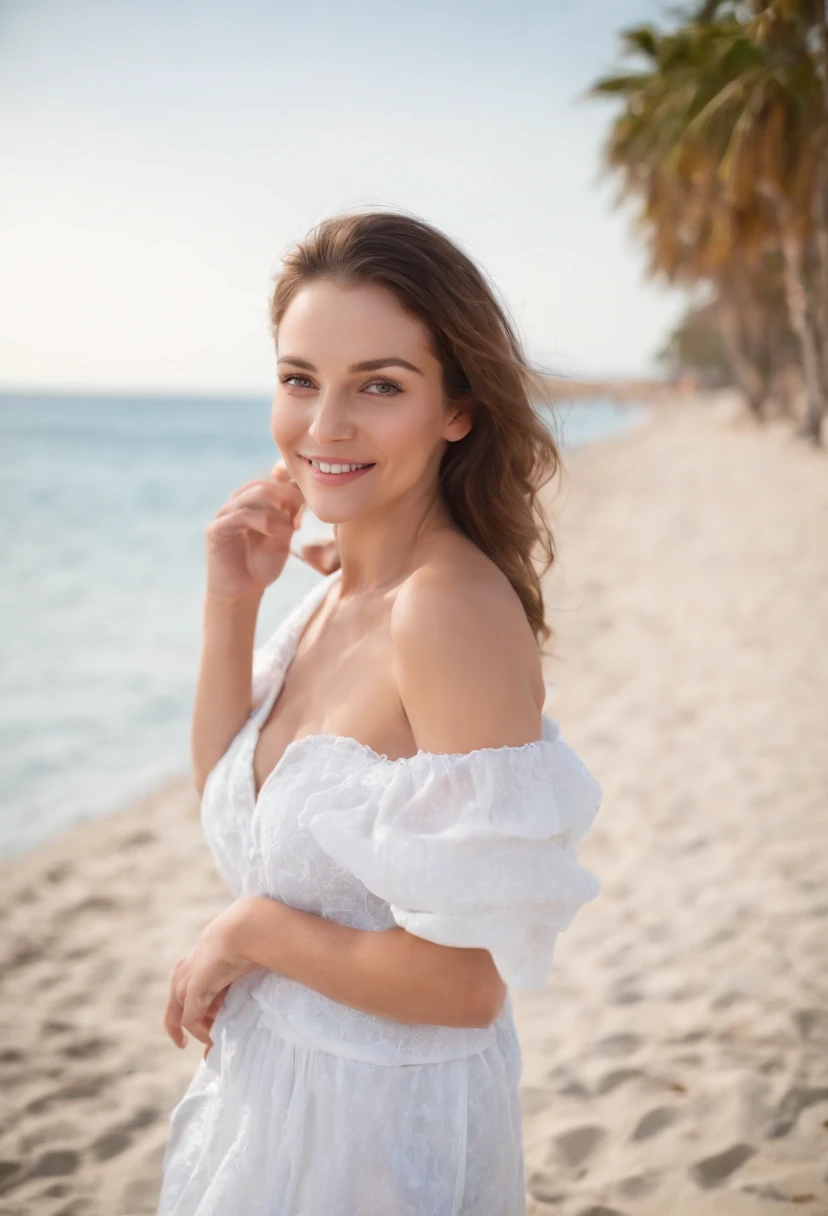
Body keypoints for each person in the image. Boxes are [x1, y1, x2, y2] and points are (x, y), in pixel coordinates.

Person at [157, 208, 602, 1215]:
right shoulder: (334, 586)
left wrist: (255, 932)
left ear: (458, 407)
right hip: (275, 1111)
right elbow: (231, 797)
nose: (325, 426)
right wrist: (232, 601)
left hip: (378, 1142)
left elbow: (465, 986)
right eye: (300, 378)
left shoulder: (447, 612)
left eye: (380, 386)